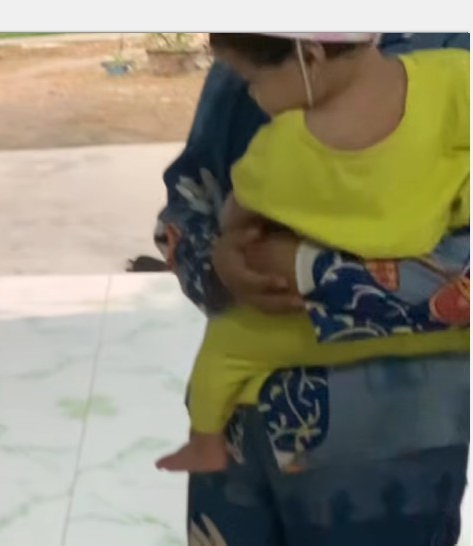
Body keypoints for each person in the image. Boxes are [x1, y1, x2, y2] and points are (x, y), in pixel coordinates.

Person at [155, 32, 470, 546]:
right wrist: (216, 263)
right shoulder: (262, 53)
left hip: (394, 449)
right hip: (243, 425)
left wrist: (311, 274)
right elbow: (187, 202)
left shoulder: (455, 67)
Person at [157, 33, 469, 473]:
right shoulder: (453, 74)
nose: (252, 93)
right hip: (447, 337)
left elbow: (233, 215)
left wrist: (251, 257)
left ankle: (204, 443)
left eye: (253, 81)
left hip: (319, 342)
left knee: (226, 346)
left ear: (311, 56)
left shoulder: (280, 146)